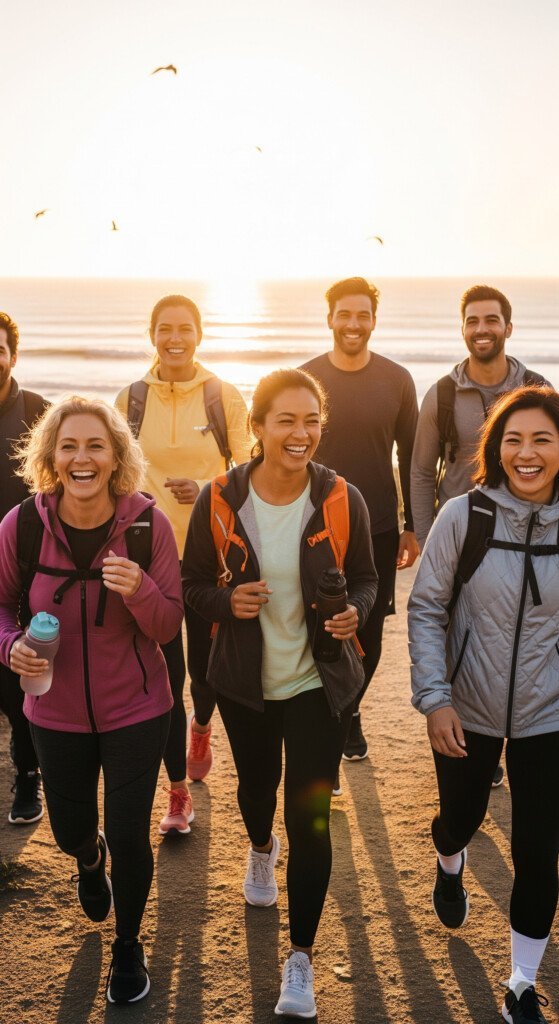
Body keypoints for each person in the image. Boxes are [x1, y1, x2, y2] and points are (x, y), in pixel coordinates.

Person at [182, 368, 377, 1018]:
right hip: (245, 686)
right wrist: (224, 599)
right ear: (257, 428)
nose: (301, 434)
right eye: (286, 420)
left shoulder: (342, 498)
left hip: (319, 684)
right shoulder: (218, 499)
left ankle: (300, 960)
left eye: (310, 420)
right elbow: (190, 584)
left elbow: (366, 579)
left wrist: (354, 611)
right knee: (257, 791)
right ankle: (259, 851)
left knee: (311, 819)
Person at [0, 396, 183, 1004]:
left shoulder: (146, 525)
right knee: (70, 827)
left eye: (96, 446)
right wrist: (10, 648)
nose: (82, 458)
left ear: (116, 457)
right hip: (52, 711)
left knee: (131, 833)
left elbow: (167, 627)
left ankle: (128, 948)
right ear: (52, 457)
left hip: (137, 707)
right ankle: (86, 857)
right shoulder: (22, 526)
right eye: (70, 446)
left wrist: (141, 592)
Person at [408, 386, 559, 1024]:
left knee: (538, 846)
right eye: (514, 439)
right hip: (466, 707)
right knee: (462, 815)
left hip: (548, 715)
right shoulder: (464, 516)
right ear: (495, 448)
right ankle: (450, 856)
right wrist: (435, 698)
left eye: (543, 440)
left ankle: (522, 982)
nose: (527, 453)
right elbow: (425, 607)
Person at [115, 295, 251, 836]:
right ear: (152, 334)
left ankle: (201, 725)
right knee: (167, 674)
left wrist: (207, 491)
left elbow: (249, 470)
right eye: (165, 329)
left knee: (207, 668)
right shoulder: (131, 398)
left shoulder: (223, 396)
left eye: (185, 329)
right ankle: (177, 796)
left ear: (199, 334)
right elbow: (113, 471)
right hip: (147, 555)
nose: (175, 338)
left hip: (210, 555)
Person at [301, 277, 419, 763]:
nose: (353, 324)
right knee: (316, 624)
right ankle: (331, 724)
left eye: (362, 315)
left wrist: (411, 524)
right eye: (344, 315)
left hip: (376, 529)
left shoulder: (397, 379)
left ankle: (349, 710)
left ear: (374, 320)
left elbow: (412, 457)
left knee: (368, 631)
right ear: (329, 318)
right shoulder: (305, 378)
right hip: (313, 526)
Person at [411, 283, 549, 550]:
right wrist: (428, 539)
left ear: (508, 328)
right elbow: (422, 472)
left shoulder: (537, 389)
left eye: (491, 320)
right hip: (458, 534)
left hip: (523, 535)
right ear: (462, 329)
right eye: (472, 321)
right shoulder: (441, 395)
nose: (481, 329)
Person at [0, 311, 49, 825]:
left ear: (13, 354)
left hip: (24, 569)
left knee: (17, 681)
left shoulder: (38, 412)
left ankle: (28, 775)